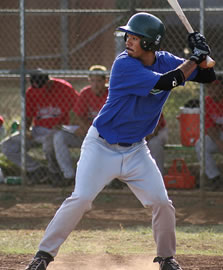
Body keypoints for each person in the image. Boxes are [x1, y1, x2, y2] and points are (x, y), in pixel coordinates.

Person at [25, 13, 215, 270]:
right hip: (101, 146)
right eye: (129, 36)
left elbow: (207, 77)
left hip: (136, 150)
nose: (128, 41)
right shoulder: (124, 65)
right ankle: (43, 256)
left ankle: (167, 259)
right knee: (80, 199)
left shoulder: (166, 60)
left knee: (161, 203)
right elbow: (165, 83)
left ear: (150, 43)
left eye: (135, 37)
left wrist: (202, 54)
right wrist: (194, 58)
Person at [1, 69, 80, 186]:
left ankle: (56, 173)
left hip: (58, 130)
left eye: (42, 88)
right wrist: (26, 130)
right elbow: (28, 116)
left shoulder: (64, 88)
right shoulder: (31, 92)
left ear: (49, 82)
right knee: (7, 146)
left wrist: (68, 126)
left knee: (49, 142)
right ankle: (38, 170)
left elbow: (78, 110)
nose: (40, 91)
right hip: (38, 130)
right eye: (36, 88)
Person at [195, 76, 223, 191]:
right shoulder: (207, 101)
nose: (212, 90)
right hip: (218, 135)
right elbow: (209, 127)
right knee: (200, 144)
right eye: (209, 88)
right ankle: (215, 178)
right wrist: (219, 142)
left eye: (215, 87)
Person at [73, 65, 108, 137]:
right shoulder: (85, 93)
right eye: (92, 80)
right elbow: (78, 115)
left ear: (105, 81)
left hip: (105, 132)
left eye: (99, 81)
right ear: (89, 80)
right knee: (60, 136)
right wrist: (86, 128)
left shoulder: (111, 94)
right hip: (87, 131)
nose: (95, 85)